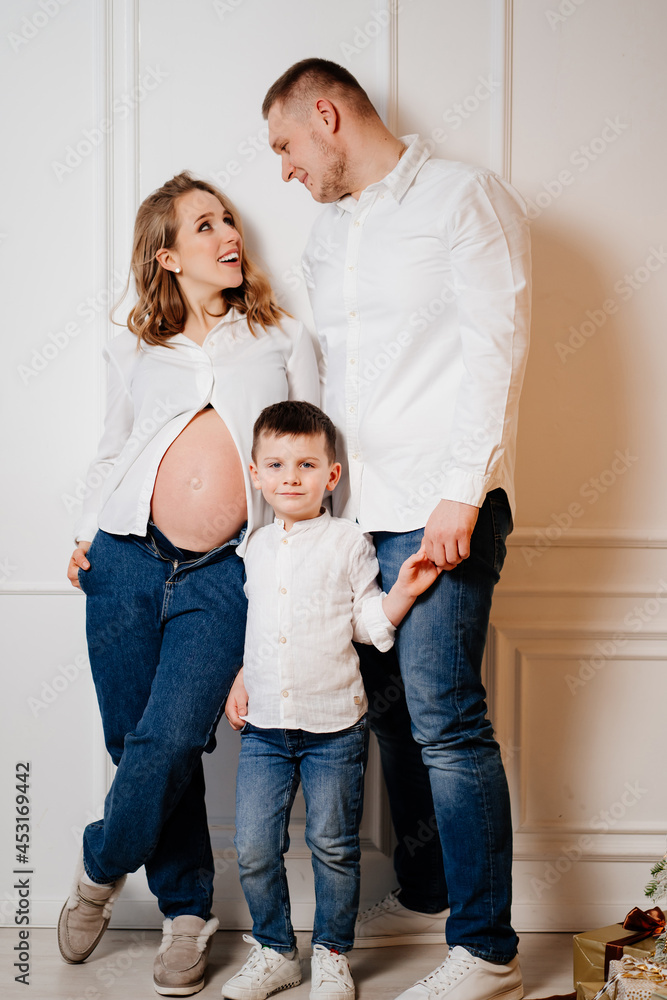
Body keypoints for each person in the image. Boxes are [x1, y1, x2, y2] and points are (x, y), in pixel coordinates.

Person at [260, 59, 531, 1000]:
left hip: (437, 505)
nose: (284, 170)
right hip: (351, 517)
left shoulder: (464, 197)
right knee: (389, 718)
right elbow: (328, 381)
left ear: (326, 115)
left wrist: (462, 492)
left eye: (286, 146)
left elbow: (497, 346)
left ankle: (487, 952)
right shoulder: (327, 233)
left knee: (446, 720)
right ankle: (429, 889)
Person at [59, 172, 319, 997]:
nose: (227, 234)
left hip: (224, 574)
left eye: (228, 220)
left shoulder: (282, 339)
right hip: (124, 560)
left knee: (171, 741)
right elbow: (113, 444)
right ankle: (185, 913)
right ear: (167, 256)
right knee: (131, 742)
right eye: (204, 226)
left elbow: (316, 464)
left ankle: (98, 867)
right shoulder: (136, 346)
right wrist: (83, 533)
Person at [222, 401, 442, 1000]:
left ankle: (332, 952)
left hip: (335, 728)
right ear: (256, 474)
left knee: (334, 846)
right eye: (276, 465)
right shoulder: (252, 547)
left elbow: (367, 623)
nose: (291, 477)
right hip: (265, 728)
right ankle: (275, 951)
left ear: (332, 474)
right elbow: (258, 628)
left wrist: (402, 593)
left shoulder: (349, 542)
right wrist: (240, 677)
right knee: (255, 847)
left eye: (306, 465)